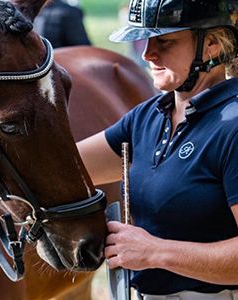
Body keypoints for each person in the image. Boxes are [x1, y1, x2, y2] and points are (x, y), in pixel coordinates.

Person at [77, 0, 238, 299]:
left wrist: (154, 252)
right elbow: (69, 168)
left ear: (212, 44)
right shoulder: (147, 116)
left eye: (165, 41)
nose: (147, 53)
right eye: (147, 40)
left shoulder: (233, 125)